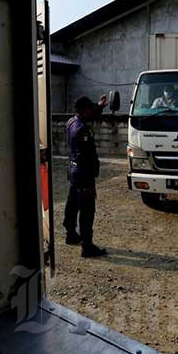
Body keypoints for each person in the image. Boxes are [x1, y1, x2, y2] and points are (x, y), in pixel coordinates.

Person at [64, 94, 108, 258]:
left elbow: (91, 114)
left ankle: (70, 234)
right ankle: (87, 246)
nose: (91, 110)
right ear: (83, 110)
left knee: (72, 203)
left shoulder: (71, 122)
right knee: (87, 210)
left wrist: (100, 106)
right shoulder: (83, 129)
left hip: (73, 171)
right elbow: (87, 156)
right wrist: (91, 180)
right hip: (83, 173)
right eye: (89, 108)